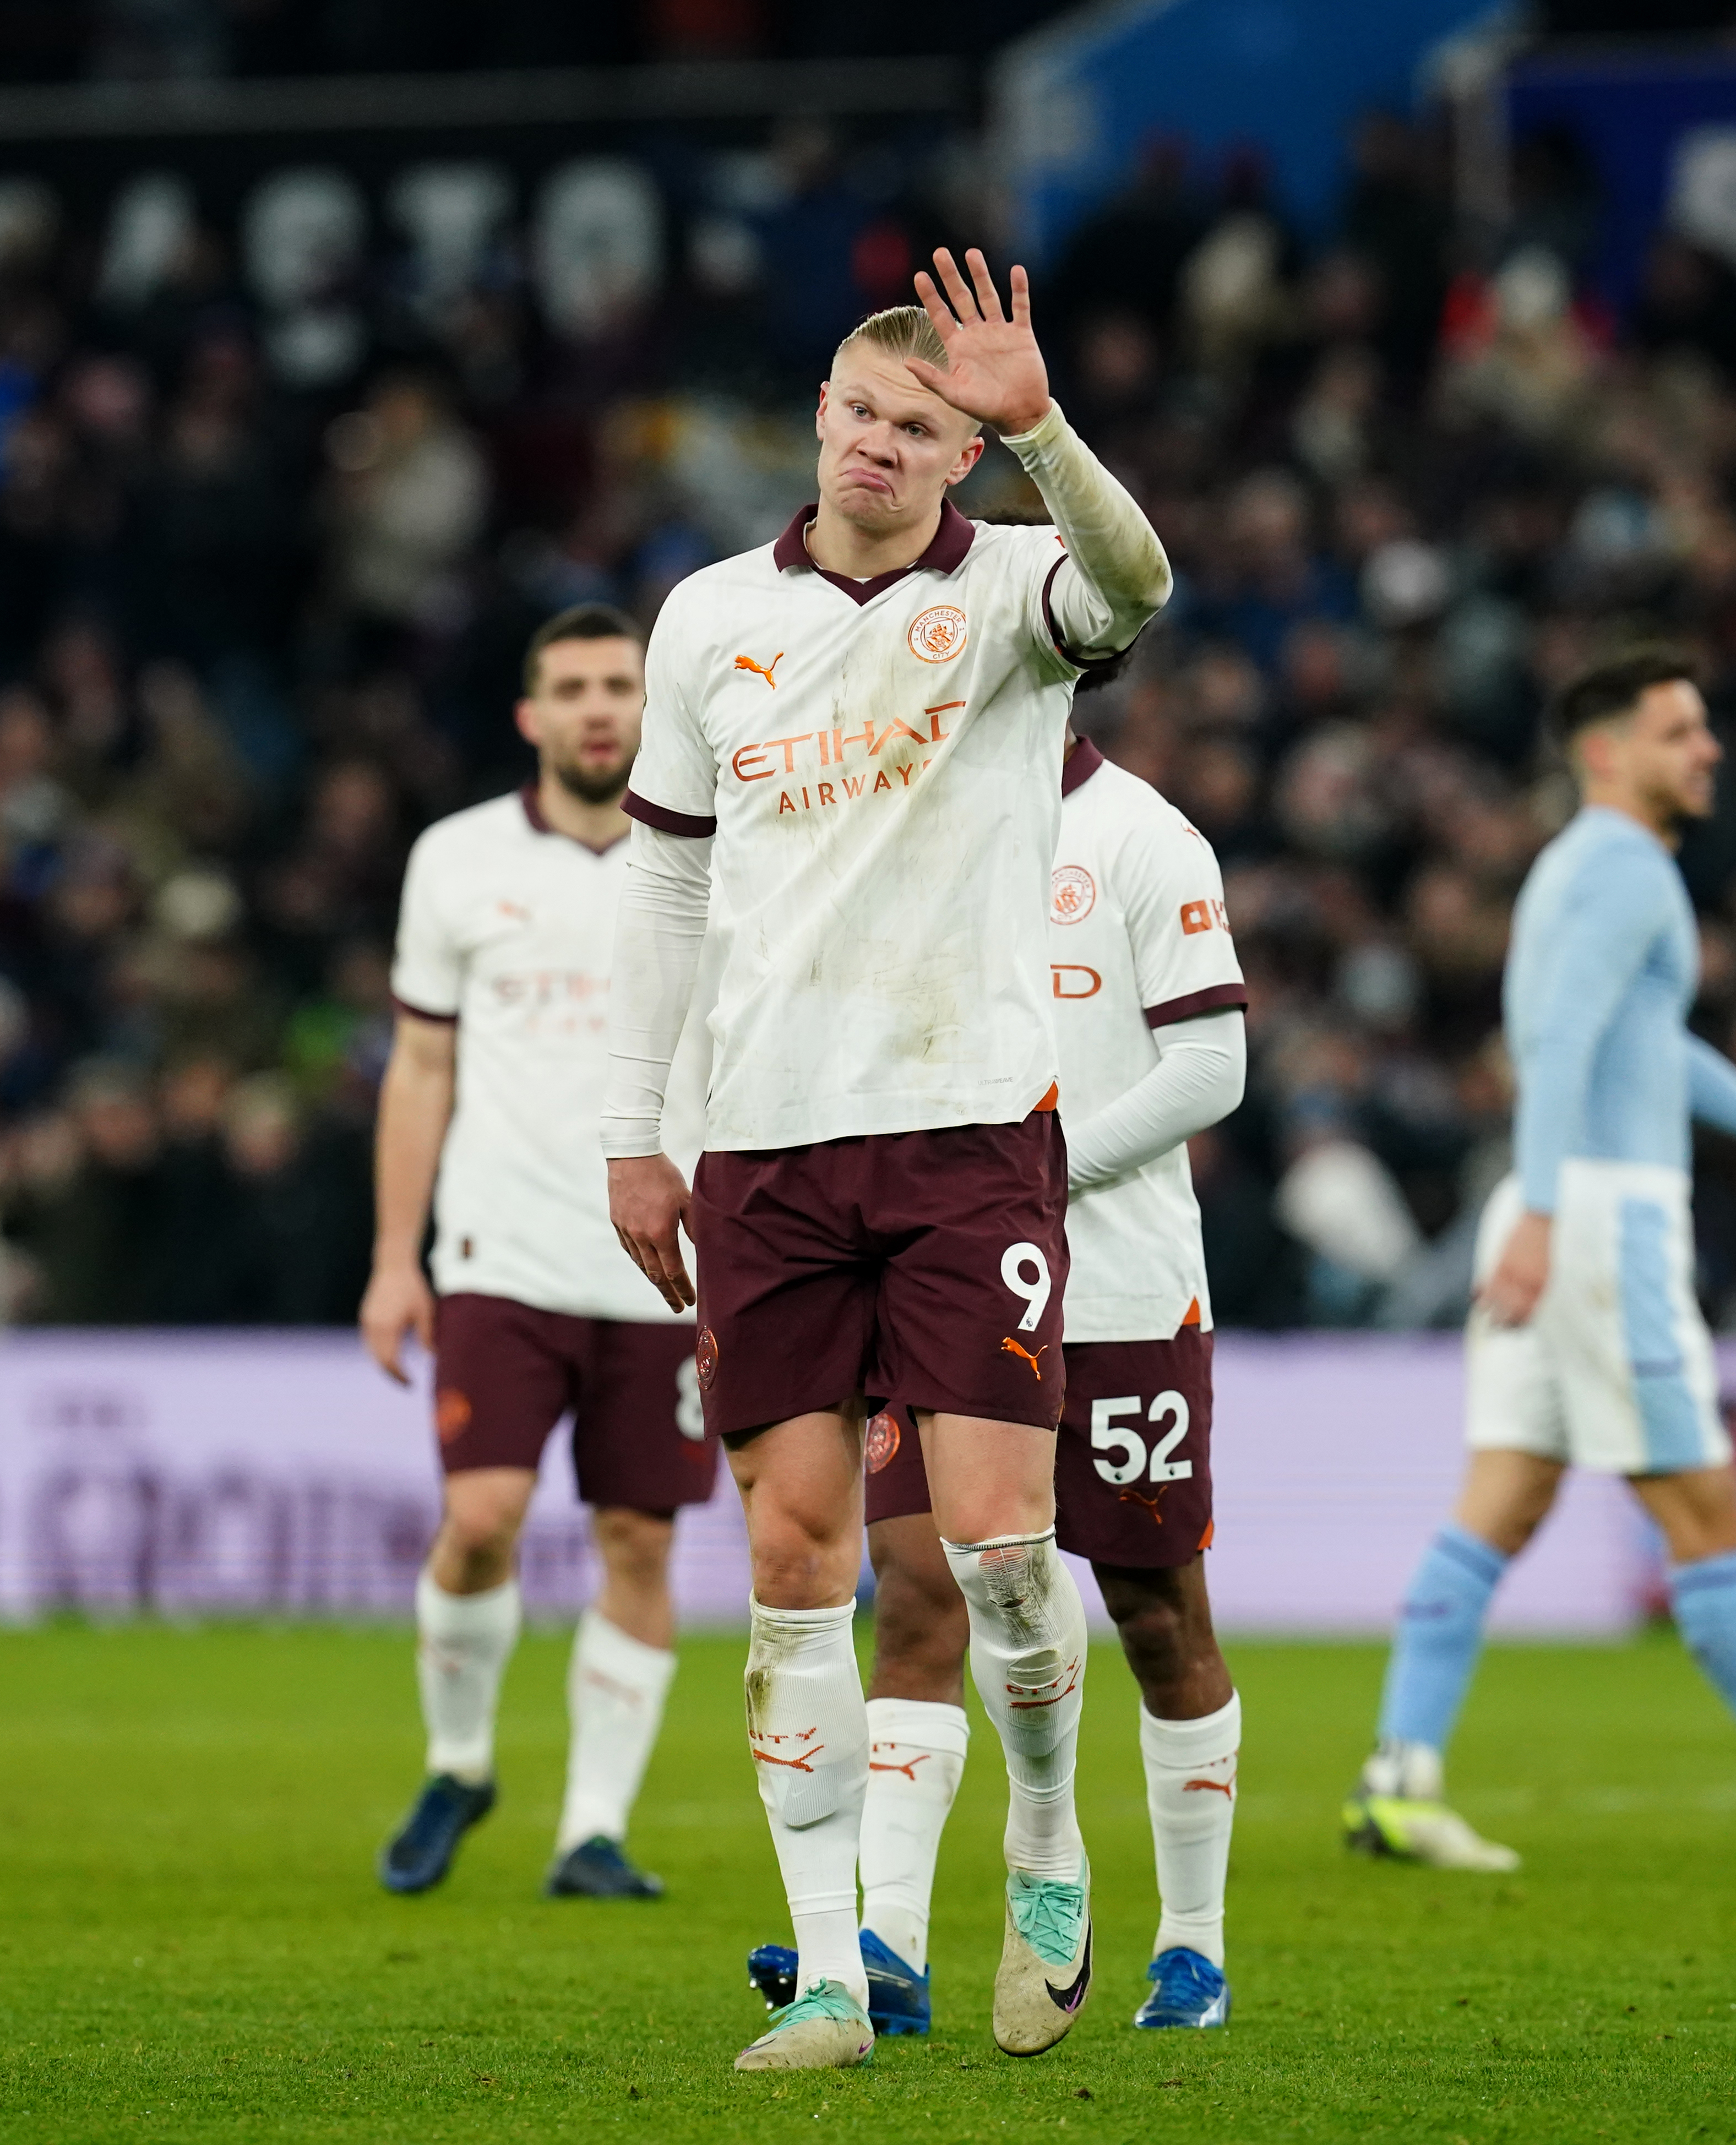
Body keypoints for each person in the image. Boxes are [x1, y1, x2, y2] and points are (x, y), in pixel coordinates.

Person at [603, 248, 1172, 2072]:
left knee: (1003, 1550)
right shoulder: (704, 620)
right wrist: (638, 1135)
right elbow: (669, 885)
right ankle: (839, 1970)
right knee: (791, 1562)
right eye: (860, 408)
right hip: (760, 1151)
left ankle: (1042, 1829)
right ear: (821, 418)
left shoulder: (1014, 588)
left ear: (956, 451)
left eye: (918, 424)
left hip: (963, 1133)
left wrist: (1046, 433)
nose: (876, 440)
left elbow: (1143, 583)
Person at [1346, 651, 1736, 1871]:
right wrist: (1544, 1214)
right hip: (1596, 1220)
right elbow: (1564, 1045)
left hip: (1553, 1206)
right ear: (1605, 752)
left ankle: (1399, 1775)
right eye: (1678, 730)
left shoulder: (1580, 874)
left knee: (1506, 1493)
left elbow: (1646, 1045)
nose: (1707, 750)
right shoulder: (1629, 871)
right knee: (1704, 1504)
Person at [744, 727, 1252, 2035]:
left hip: (1122, 1288)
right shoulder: (895, 824)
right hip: (933, 1284)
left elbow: (1212, 1062)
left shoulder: (1143, 835)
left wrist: (1026, 1183)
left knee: (1154, 1614)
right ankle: (889, 1941)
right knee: (917, 1593)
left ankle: (1191, 1947)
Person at [358, 604, 717, 1903]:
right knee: (480, 1517)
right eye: (569, 687)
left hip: (664, 1264)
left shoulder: (713, 856)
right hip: (498, 1249)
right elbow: (420, 1066)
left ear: (651, 703)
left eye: (619, 684)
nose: (597, 708)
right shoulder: (454, 860)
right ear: (531, 715)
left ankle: (592, 1830)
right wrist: (396, 1258)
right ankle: (459, 1762)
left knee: (638, 1538)